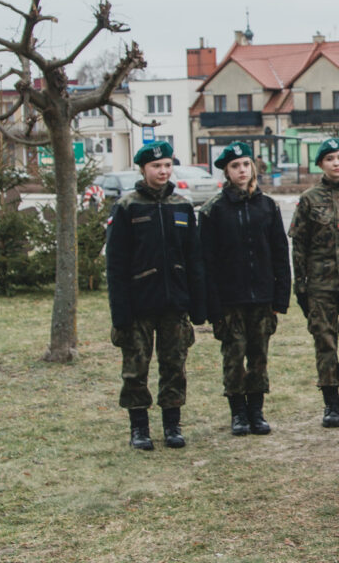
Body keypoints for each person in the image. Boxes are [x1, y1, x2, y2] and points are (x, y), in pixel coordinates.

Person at [105, 140, 206, 450]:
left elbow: (193, 259)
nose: (163, 171)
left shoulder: (182, 206)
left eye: (167, 166)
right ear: (143, 169)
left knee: (174, 366)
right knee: (135, 369)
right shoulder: (127, 207)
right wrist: (121, 312)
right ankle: (139, 428)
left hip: (174, 304)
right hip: (138, 305)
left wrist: (197, 305)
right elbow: (116, 264)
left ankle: (172, 426)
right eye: (156, 166)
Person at [199, 141, 291, 436]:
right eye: (235, 166)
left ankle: (257, 410)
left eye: (246, 164)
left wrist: (281, 296)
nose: (242, 170)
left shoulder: (268, 206)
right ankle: (238, 412)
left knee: (259, 356)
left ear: (253, 167)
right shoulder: (214, 209)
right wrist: (213, 305)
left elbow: (279, 252)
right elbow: (206, 260)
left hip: (262, 297)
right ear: (227, 171)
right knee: (234, 356)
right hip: (230, 299)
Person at [289, 137, 339, 428]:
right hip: (320, 285)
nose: (336, 163)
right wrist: (301, 287)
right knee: (325, 343)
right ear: (321, 164)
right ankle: (331, 406)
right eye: (329, 159)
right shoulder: (310, 199)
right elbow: (299, 246)